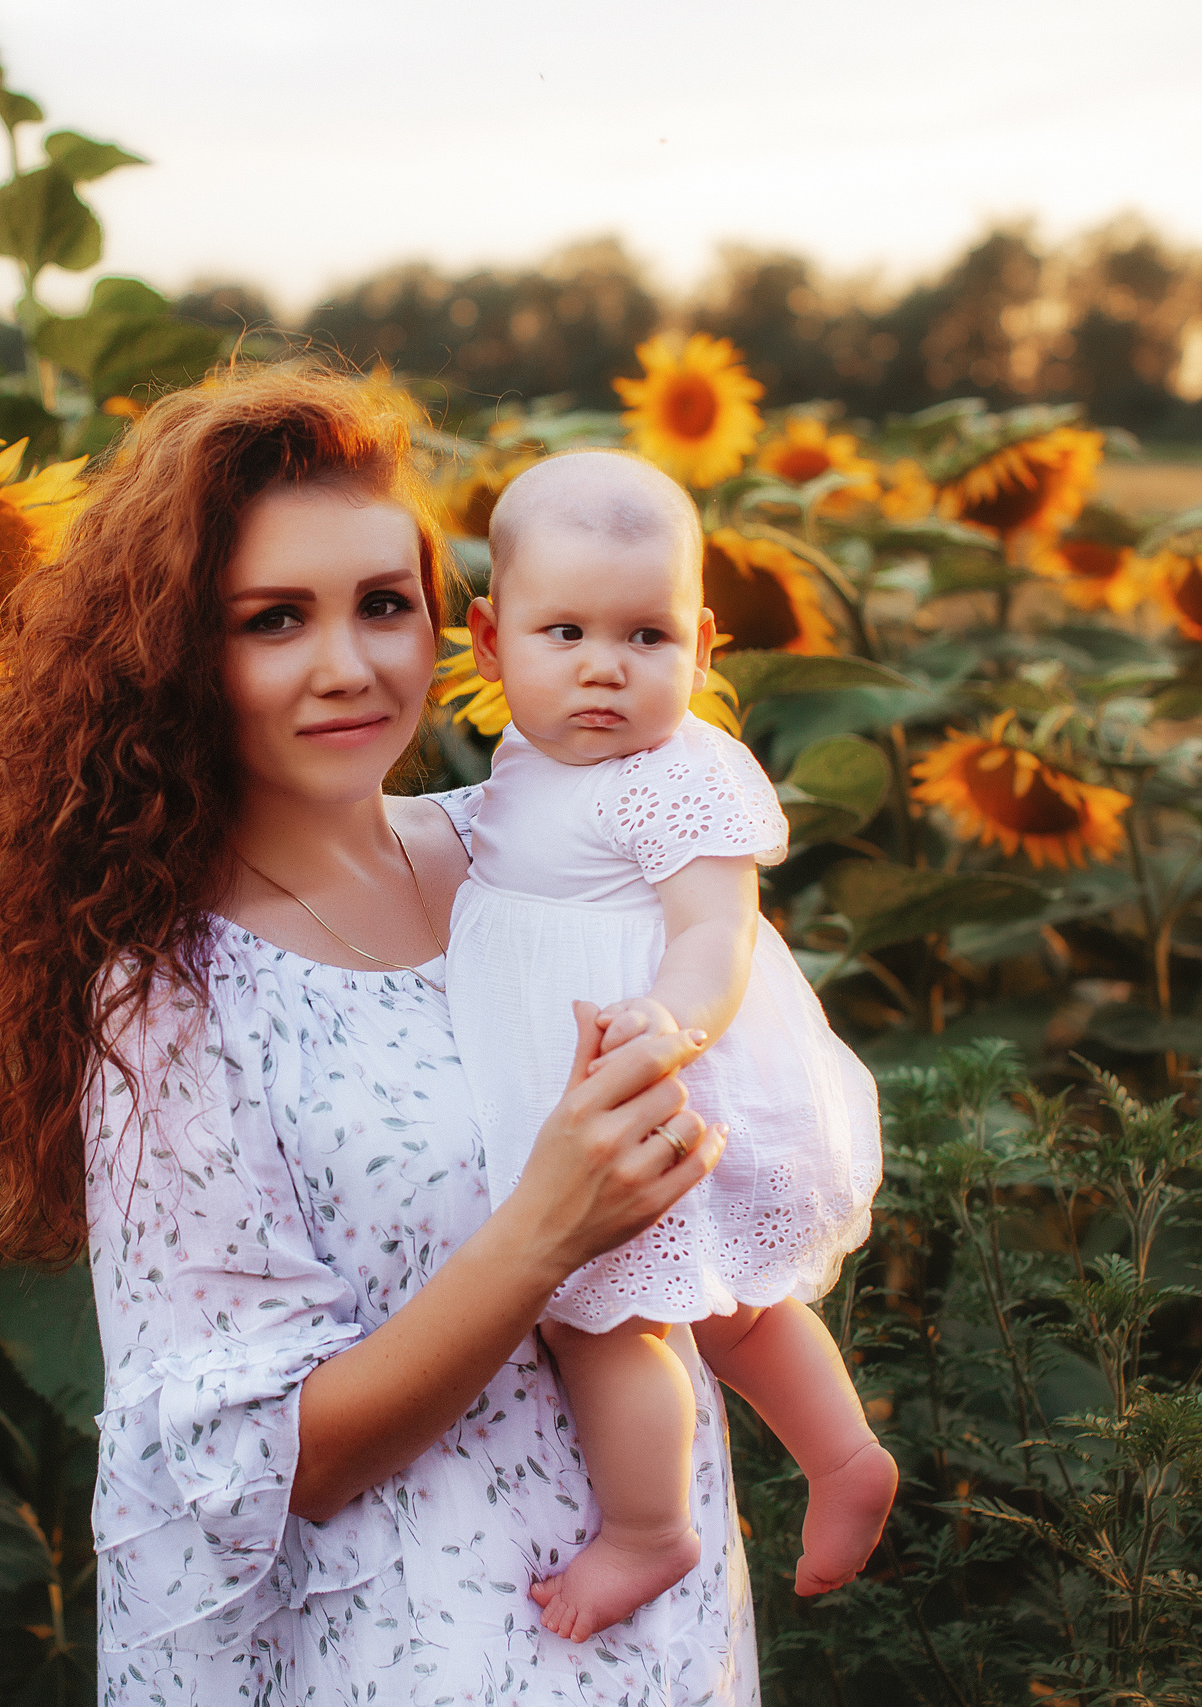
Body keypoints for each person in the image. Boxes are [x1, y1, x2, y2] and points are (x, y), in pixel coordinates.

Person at [0, 364, 762, 1703]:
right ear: (181, 651)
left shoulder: (534, 863)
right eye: (273, 619)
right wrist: (547, 1226)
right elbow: (264, 1459)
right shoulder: (176, 995)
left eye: (381, 603)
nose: (347, 665)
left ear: (454, 622)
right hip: (410, 1657)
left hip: (653, 1640)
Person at [449, 450, 895, 1643]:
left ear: (703, 645)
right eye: (566, 634)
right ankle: (844, 1457)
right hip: (601, 1084)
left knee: (601, 1317)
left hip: (658, 1076)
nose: (605, 666)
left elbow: (716, 932)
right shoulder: (525, 760)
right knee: (722, 1306)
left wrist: (668, 1023)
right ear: (491, 644)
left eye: (646, 637)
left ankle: (650, 1532)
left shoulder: (680, 774)